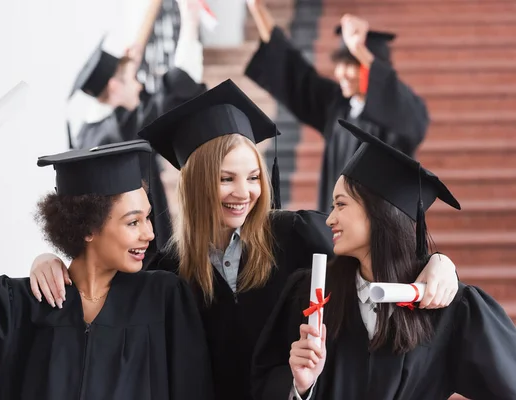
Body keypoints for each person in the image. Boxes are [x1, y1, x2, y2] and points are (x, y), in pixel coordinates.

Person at [29, 80, 459, 400]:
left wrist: (439, 264)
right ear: (196, 184)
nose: (245, 192)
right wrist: (48, 261)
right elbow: (99, 290)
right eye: (226, 179)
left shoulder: (299, 235)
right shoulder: (166, 270)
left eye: (253, 177)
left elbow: (376, 265)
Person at [0, 136, 213, 399]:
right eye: (133, 222)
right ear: (88, 229)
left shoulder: (164, 298)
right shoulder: (20, 305)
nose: (149, 233)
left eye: (148, 218)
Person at [251, 120, 516, 400]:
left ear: (379, 215)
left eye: (341, 204)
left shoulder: (447, 307)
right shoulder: (312, 294)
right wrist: (301, 387)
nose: (329, 218)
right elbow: (265, 380)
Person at [245, 0, 429, 212]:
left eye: (351, 65)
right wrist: (257, 9)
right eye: (340, 64)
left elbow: (413, 122)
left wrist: (359, 48)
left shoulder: (398, 114)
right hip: (337, 223)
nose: (341, 73)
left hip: (381, 227)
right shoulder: (338, 106)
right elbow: (293, 69)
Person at [68, 0, 208, 265]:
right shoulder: (124, 134)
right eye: (133, 79)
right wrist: (190, 23)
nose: (140, 85)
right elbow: (178, 86)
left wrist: (131, 59)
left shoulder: (88, 134)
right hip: (142, 257)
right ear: (114, 86)